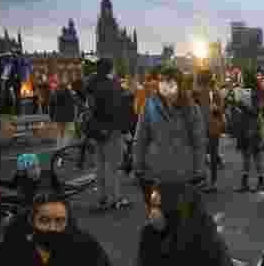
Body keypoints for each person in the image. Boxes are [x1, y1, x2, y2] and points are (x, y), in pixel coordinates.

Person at [134, 71, 206, 205]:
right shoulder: (150, 106)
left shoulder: (191, 108)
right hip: (156, 175)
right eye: (162, 82)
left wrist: (199, 170)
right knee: (158, 221)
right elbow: (141, 138)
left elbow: (199, 142)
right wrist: (138, 165)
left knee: (182, 220)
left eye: (170, 82)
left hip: (184, 175)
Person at [83, 58, 132, 210]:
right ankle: (115, 198)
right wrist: (125, 131)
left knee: (100, 165)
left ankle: (102, 197)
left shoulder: (91, 84)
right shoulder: (113, 86)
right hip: (112, 129)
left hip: (96, 130)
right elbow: (119, 110)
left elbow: (89, 107)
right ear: (110, 69)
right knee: (113, 166)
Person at [225, 72, 264, 193]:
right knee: (246, 157)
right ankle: (245, 183)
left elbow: (256, 111)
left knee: (256, 156)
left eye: (242, 79)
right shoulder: (244, 92)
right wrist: (235, 103)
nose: (240, 81)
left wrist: (242, 105)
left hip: (254, 127)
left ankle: (260, 182)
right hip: (245, 126)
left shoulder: (258, 92)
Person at [193, 70, 225, 192]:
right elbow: (220, 109)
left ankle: (204, 181)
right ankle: (212, 182)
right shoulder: (214, 92)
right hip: (213, 127)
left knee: (202, 155)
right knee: (212, 155)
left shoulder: (197, 93)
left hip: (201, 127)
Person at [48, 80, 77, 149]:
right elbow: (73, 105)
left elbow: (51, 106)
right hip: (68, 116)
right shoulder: (70, 93)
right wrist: (73, 116)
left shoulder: (54, 94)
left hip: (58, 116)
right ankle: (65, 147)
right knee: (68, 132)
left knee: (60, 133)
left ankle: (59, 147)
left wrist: (51, 116)